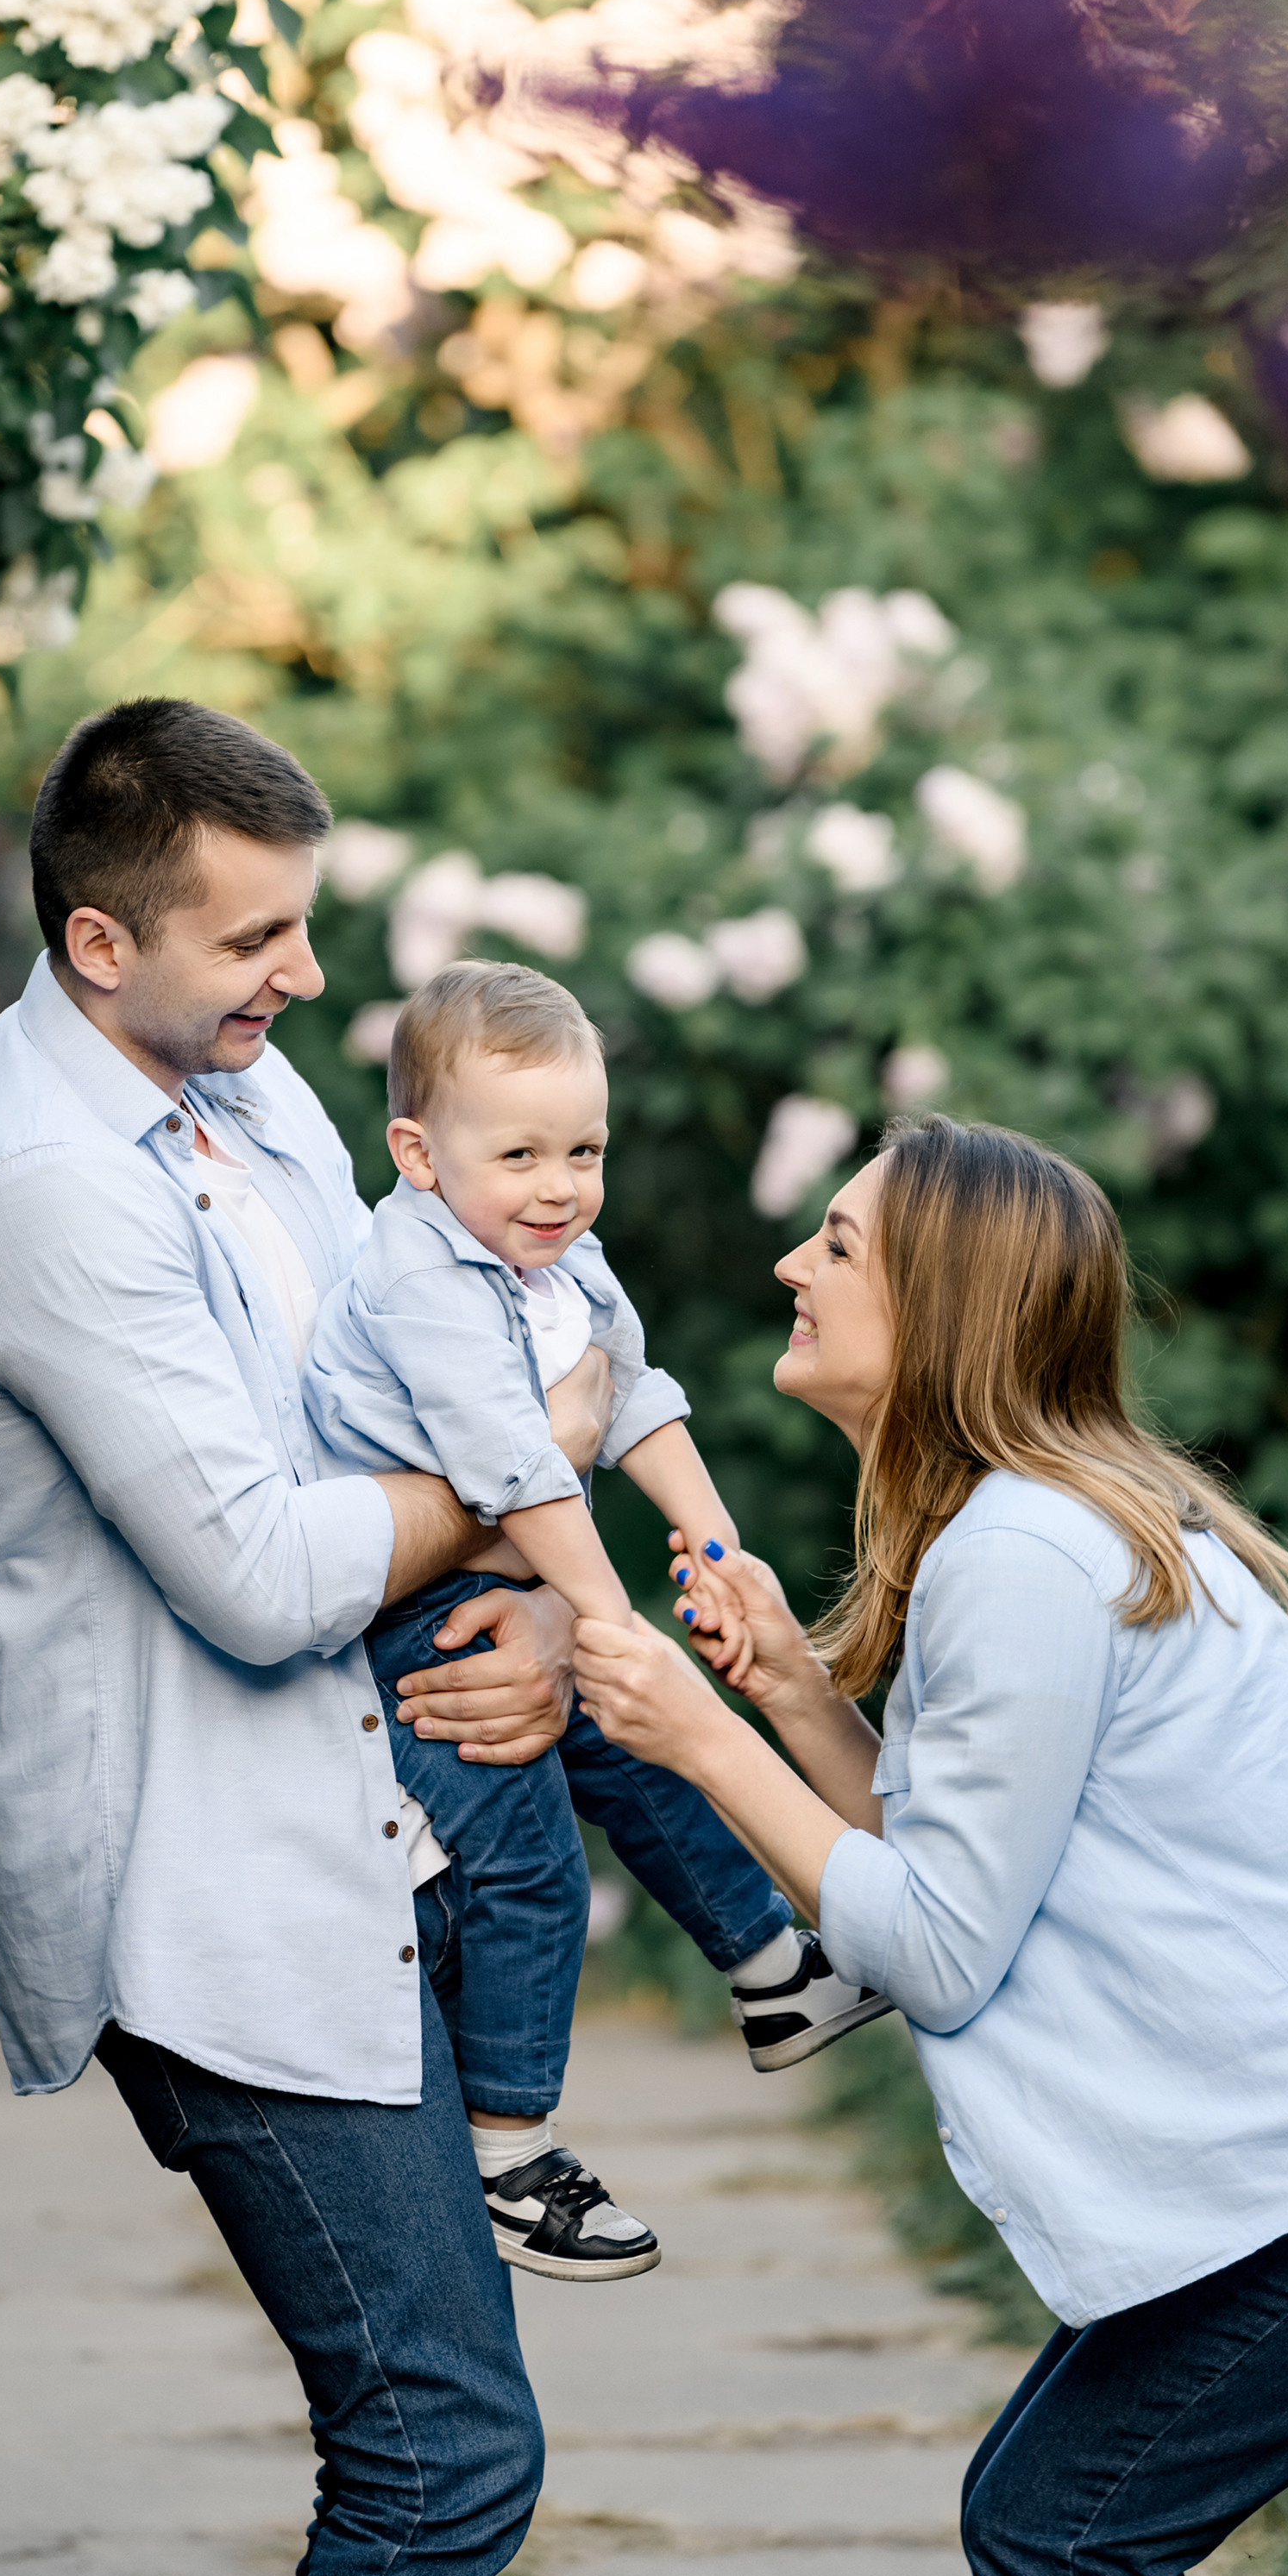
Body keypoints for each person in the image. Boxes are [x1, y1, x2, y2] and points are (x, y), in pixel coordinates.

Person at [567, 1112, 1288, 2576]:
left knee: (1067, 2538)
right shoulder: (1023, 1530)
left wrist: (698, 1744)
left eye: (837, 1244)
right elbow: (941, 1862)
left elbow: (929, 1952)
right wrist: (777, 1686)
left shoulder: (1025, 1554)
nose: (792, 1263)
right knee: (1055, 2525)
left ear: (947, 1306)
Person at [0, 698, 597, 2576]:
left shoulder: (248, 1091)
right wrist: (522, 1478)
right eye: (252, 940)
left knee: (440, 2455)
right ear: (102, 943)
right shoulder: (41, 1184)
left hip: (373, 1826)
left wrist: (532, 1605)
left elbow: (392, 1411)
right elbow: (275, 1573)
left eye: (304, 925)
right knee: (440, 2456)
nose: (303, 977)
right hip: (213, 1911)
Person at [304, 957, 893, 2283]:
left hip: (498, 1570)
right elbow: (517, 1467)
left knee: (647, 1742)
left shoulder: (550, 1252)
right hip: (405, 1613)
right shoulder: (421, 1279)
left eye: (585, 1149)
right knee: (528, 1862)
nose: (561, 1184)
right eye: (519, 1153)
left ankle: (771, 1971)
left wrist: (715, 1545)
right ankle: (512, 2154)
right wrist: (602, 1615)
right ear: (417, 1153)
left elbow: (627, 1393)